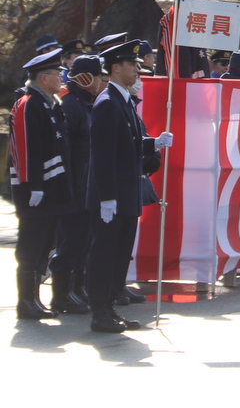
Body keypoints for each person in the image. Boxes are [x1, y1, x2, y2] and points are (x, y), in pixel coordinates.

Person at [87, 40, 172, 332]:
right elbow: (103, 155)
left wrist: (153, 142)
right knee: (105, 253)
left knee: (120, 253)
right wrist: (107, 197)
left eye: (138, 65)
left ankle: (111, 306)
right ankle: (100, 311)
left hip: (127, 192)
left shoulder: (122, 101)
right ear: (115, 68)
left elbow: (129, 142)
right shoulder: (108, 103)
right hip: (113, 195)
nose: (137, 69)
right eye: (132, 65)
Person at [10, 49, 76, 319]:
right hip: (35, 190)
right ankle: (25, 301)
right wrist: (33, 183)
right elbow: (25, 147)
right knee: (31, 245)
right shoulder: (29, 103)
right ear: (43, 77)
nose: (61, 78)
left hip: (53, 190)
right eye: (57, 74)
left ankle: (34, 299)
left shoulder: (50, 102)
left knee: (45, 243)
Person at [49, 54, 106, 315]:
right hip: (74, 185)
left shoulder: (86, 102)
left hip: (87, 184)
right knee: (71, 241)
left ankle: (76, 288)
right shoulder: (70, 104)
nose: (100, 80)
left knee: (84, 240)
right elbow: (65, 148)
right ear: (85, 77)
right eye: (96, 75)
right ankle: (60, 294)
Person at [156, 0, 211, 78]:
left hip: (196, 87)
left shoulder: (190, 17)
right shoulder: (176, 17)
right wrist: (182, 89)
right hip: (184, 89)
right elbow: (176, 62)